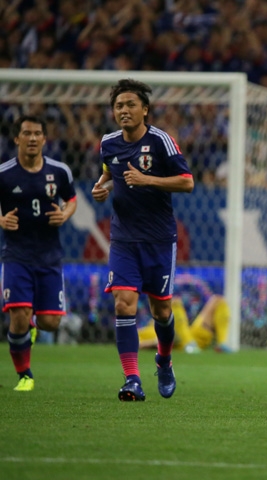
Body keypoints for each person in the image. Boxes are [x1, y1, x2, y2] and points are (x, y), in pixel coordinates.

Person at [91, 79, 194, 401]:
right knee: (123, 302)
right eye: (119, 106)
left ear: (145, 110)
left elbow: (187, 182)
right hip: (123, 238)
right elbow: (111, 173)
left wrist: (147, 179)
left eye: (130, 105)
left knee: (161, 310)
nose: (124, 110)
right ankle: (132, 378)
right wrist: (101, 187)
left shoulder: (162, 141)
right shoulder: (108, 143)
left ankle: (163, 360)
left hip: (160, 239)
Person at [0, 114, 77, 392]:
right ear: (17, 139)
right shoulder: (4, 174)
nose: (32, 138)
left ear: (45, 139)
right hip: (16, 254)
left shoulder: (59, 171)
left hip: (49, 256)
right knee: (19, 314)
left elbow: (71, 199)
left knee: (50, 323)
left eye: (37, 134)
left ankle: (32, 327)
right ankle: (25, 375)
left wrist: (65, 215)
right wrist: (1, 220)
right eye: (27, 133)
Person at [138, 294, 231, 353]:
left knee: (218, 300)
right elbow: (138, 345)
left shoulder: (141, 330)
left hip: (190, 334)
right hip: (179, 344)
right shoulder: (134, 337)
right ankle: (189, 344)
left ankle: (221, 343)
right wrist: (158, 341)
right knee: (174, 303)